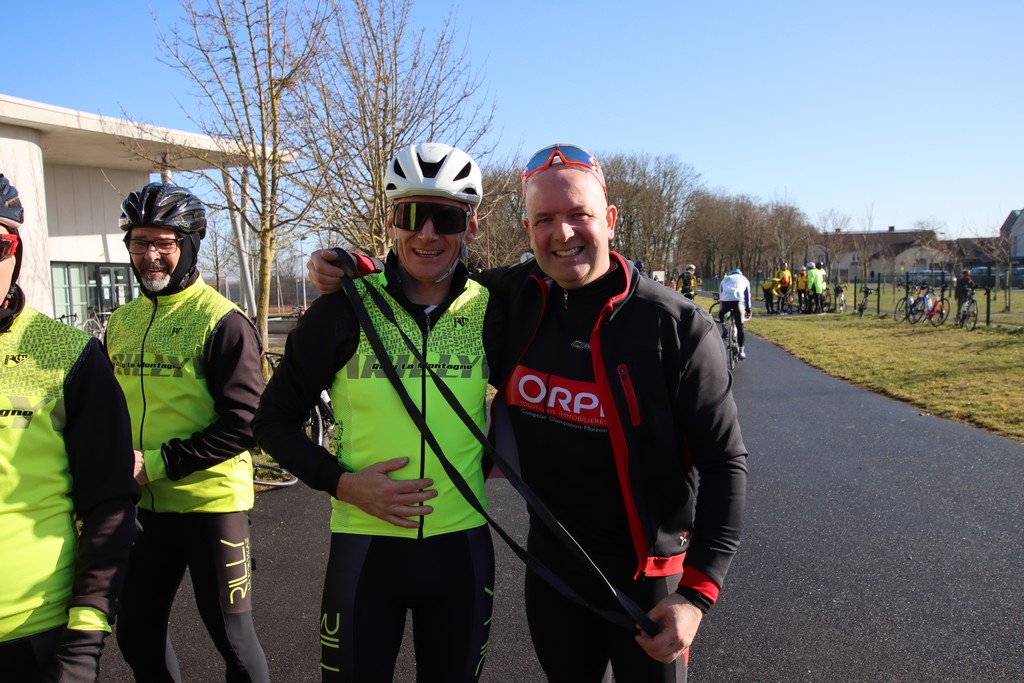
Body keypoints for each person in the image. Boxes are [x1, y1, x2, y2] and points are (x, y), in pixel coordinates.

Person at [307, 143, 748, 682]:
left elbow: (726, 464)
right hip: (553, 571)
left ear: (609, 219)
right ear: (527, 228)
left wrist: (696, 595)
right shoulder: (514, 298)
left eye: (579, 214)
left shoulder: (677, 327)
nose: (562, 233)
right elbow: (427, 270)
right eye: (544, 219)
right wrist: (358, 266)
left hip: (647, 581)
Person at [254, 142, 501, 682]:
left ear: (471, 225)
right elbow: (271, 421)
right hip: (365, 551)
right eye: (412, 215)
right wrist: (342, 484)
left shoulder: (492, 308)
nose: (427, 234)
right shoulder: (343, 310)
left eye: (446, 217)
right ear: (391, 221)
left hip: (461, 551)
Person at [105, 182, 269, 682]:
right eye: (139, 243)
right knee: (136, 635)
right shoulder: (121, 322)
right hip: (144, 508)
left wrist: (154, 464)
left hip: (210, 505)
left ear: (191, 244)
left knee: (233, 641)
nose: (150, 255)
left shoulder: (223, 322)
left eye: (164, 243)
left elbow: (245, 424)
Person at [0, 174, 139, 680]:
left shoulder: (66, 354)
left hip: (32, 630)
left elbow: (110, 502)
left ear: (17, 252)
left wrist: (85, 636)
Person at [718, 268, 751, 359]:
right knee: (740, 327)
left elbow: (721, 293)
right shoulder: (744, 279)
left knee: (721, 313)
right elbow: (747, 295)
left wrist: (721, 307)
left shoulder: (725, 279)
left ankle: (724, 328)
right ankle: (741, 351)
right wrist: (748, 308)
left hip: (726, 302)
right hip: (738, 301)